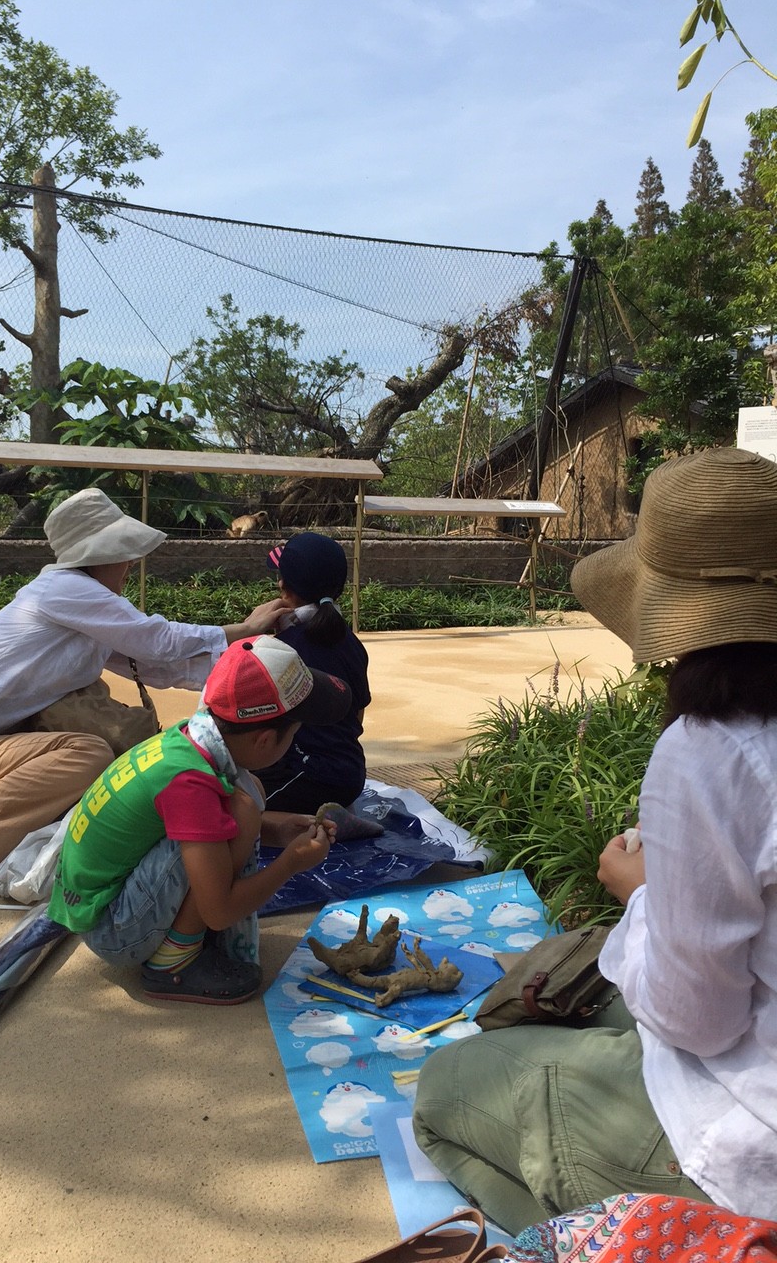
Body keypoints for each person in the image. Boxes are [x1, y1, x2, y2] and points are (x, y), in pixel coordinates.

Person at [412, 447, 777, 1232]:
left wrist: (642, 894)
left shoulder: (715, 750)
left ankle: (604, 1243)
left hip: (756, 1140)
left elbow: (700, 1018)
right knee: (566, 1004)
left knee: (446, 1090)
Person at [0, 488, 289, 902]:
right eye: (125, 553)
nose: (131, 563)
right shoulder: (64, 590)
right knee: (87, 754)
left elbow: (161, 666)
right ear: (101, 555)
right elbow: (160, 640)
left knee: (100, 756)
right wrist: (244, 630)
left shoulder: (82, 607)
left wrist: (250, 669)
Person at [48, 633, 353, 1004]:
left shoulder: (191, 738)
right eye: (294, 733)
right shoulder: (190, 783)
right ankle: (171, 964)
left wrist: (278, 831)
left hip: (99, 903)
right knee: (241, 810)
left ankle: (176, 937)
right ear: (264, 740)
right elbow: (220, 912)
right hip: (114, 931)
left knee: (246, 798)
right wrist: (291, 864)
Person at [252, 531, 371, 812]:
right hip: (351, 773)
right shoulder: (351, 642)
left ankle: (316, 826)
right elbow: (357, 713)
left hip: (307, 778)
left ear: (283, 587)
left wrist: (250, 630)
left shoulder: (279, 649)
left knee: (232, 800)